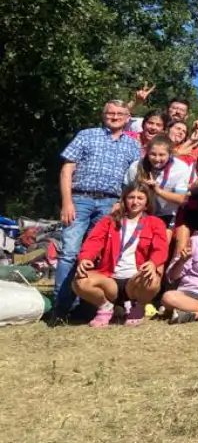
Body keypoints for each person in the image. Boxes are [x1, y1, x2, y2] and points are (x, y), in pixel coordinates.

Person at [52, 100, 145, 322]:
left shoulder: (132, 145)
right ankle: (60, 307)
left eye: (120, 114)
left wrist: (121, 203)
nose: (115, 116)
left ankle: (86, 306)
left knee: (98, 254)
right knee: (69, 253)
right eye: (110, 113)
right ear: (103, 115)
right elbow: (67, 170)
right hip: (80, 199)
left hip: (110, 203)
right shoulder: (86, 135)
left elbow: (133, 180)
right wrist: (67, 201)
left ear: (127, 118)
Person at [72, 185, 169, 327]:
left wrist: (153, 263)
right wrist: (85, 258)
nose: (135, 202)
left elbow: (161, 249)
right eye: (131, 197)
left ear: (147, 202)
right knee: (79, 281)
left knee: (153, 280)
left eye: (140, 198)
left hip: (135, 280)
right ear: (124, 200)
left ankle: (138, 307)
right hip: (110, 279)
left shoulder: (155, 223)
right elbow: (93, 242)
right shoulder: (109, 221)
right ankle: (105, 307)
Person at [124, 135, 193, 228]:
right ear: (147, 152)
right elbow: (125, 191)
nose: (157, 159)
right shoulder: (136, 166)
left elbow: (181, 199)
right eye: (153, 154)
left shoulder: (181, 168)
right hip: (139, 212)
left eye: (161, 155)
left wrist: (158, 191)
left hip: (166, 214)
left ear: (170, 154)